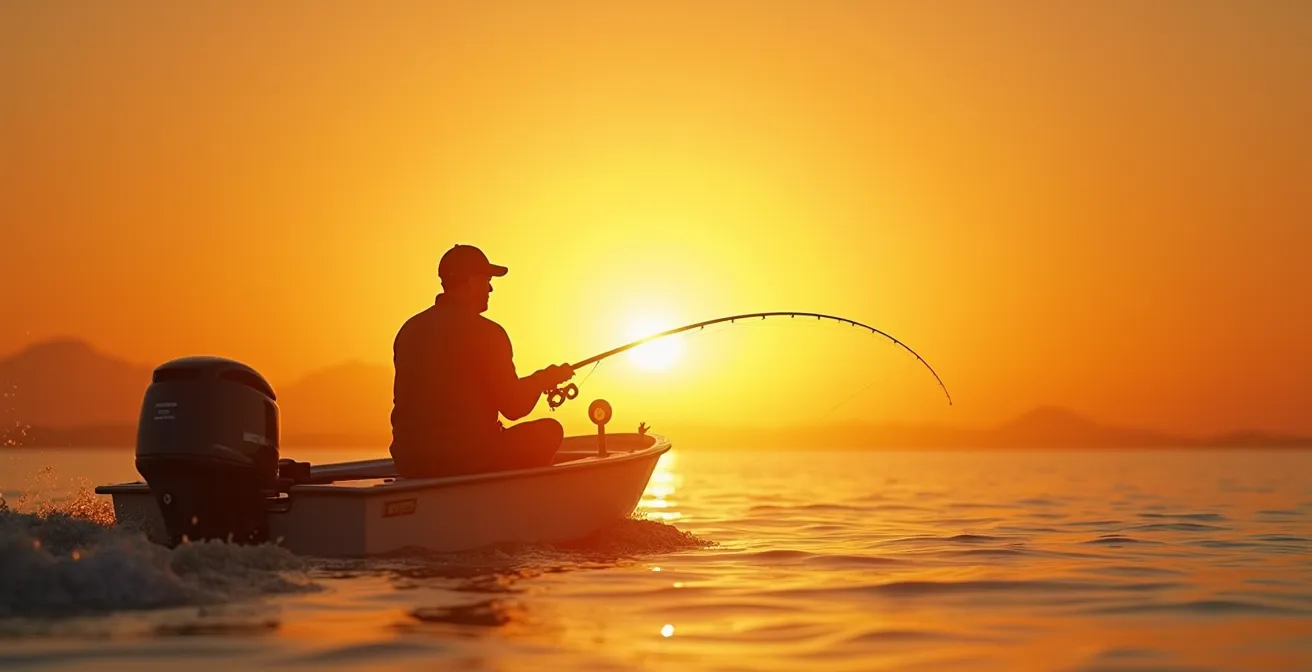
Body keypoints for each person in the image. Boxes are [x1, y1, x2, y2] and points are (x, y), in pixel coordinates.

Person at [388, 244, 575, 478]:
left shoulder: (410, 330)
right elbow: (514, 407)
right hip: (466, 458)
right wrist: (543, 379)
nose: (490, 288)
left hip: (410, 461)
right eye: (486, 279)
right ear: (471, 281)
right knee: (550, 431)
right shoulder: (488, 333)